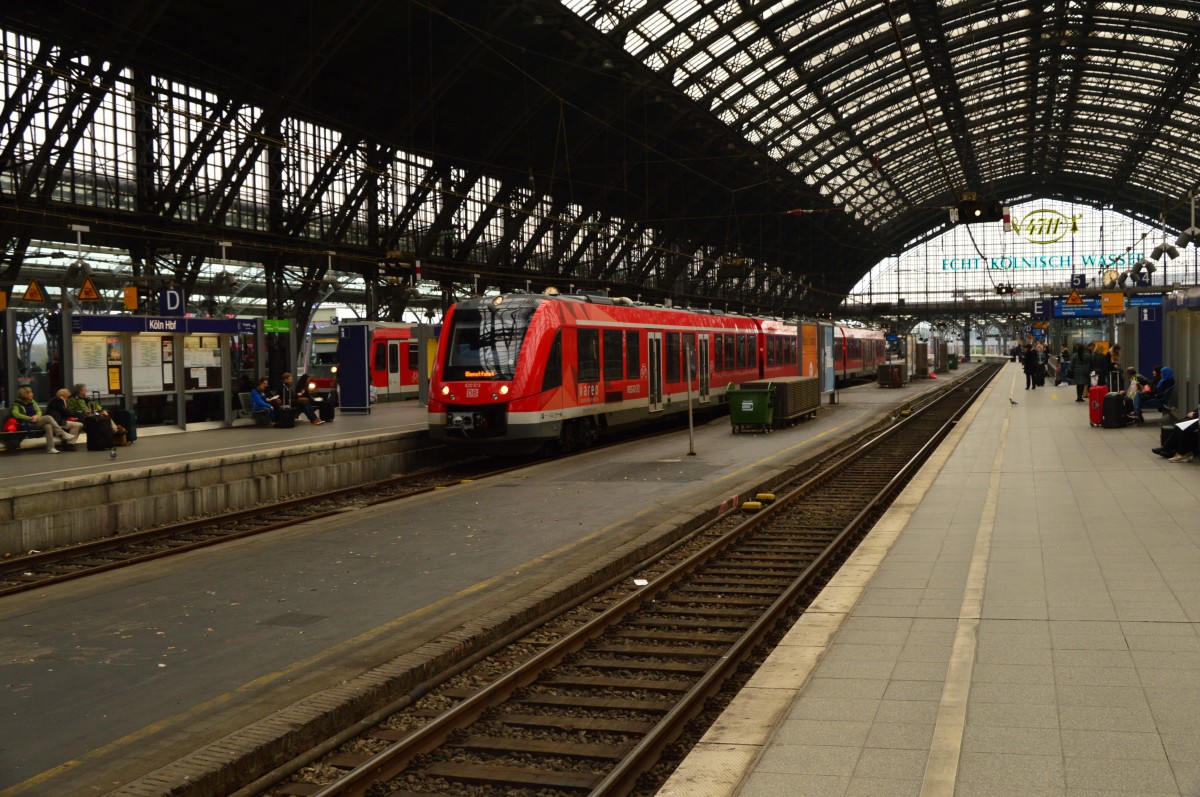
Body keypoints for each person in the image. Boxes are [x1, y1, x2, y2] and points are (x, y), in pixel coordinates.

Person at [10, 385, 72, 453]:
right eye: (30, 393)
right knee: (48, 417)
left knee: (48, 426)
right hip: (26, 424)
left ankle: (50, 448)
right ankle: (62, 433)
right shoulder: (17, 404)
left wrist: (37, 416)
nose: (32, 394)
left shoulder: (33, 402)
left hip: (36, 422)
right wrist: (30, 418)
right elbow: (16, 414)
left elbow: (39, 411)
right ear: (25, 394)